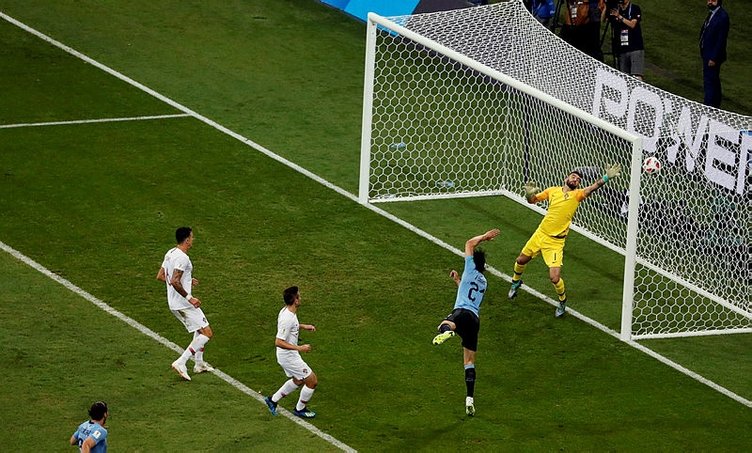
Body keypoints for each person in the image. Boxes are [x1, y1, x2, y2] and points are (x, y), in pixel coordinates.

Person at [508, 164, 621, 317]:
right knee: (520, 260)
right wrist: (528, 194)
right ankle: (515, 282)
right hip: (540, 234)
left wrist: (606, 178)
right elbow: (532, 200)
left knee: (554, 278)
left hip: (555, 242)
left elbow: (593, 187)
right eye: (573, 176)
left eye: (578, 179)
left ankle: (562, 301)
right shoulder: (552, 191)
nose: (576, 179)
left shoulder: (577, 195)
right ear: (565, 178)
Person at [432, 228, 501, 417]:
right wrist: (458, 281)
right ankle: (469, 399)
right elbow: (468, 290)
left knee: (444, 325)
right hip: (474, 320)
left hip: (461, 313)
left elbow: (470, 243)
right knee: (469, 362)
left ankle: (447, 331)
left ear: (473, 262)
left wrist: (484, 237)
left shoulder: (470, 268)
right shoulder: (483, 282)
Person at [157, 226, 214, 381]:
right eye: (192, 237)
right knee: (207, 333)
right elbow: (175, 281)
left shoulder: (170, 253)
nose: (193, 239)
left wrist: (187, 280)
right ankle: (181, 362)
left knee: (200, 328)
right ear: (187, 240)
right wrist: (190, 298)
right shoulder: (183, 258)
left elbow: (161, 276)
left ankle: (199, 364)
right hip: (184, 304)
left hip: (174, 302)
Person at [264, 286, 318, 419]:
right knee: (312, 381)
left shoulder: (287, 311)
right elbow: (278, 341)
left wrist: (303, 326)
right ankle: (300, 409)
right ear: (295, 300)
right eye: (299, 296)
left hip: (288, 355)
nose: (301, 298)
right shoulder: (287, 318)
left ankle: (272, 400)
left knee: (298, 380)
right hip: (288, 357)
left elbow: (291, 326)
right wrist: (300, 348)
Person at [699, 0, 730, 108]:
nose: (709, 2)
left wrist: (713, 57)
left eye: (713, 0)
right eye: (709, 0)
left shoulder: (722, 17)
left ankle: (709, 106)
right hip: (707, 53)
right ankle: (715, 104)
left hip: (712, 56)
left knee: (709, 81)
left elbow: (721, 40)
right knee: (713, 80)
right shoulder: (712, 13)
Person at [608, 0, 644, 80]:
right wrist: (606, 6)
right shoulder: (616, 10)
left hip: (635, 47)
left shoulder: (634, 8)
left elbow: (632, 24)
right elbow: (603, 19)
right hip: (622, 48)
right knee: (624, 77)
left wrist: (619, 16)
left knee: (636, 76)